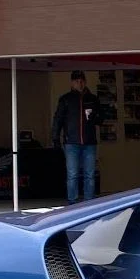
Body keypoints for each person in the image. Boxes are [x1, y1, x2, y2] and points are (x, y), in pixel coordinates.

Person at [51, 70, 101, 204]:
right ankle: (72, 203)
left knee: (89, 174)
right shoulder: (66, 99)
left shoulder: (93, 99)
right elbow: (58, 119)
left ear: (85, 82)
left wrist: (95, 116)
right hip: (71, 142)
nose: (80, 84)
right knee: (72, 174)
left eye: (82, 81)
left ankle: (89, 203)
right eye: (77, 81)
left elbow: (101, 119)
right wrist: (55, 138)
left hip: (89, 142)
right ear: (72, 83)